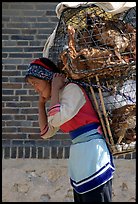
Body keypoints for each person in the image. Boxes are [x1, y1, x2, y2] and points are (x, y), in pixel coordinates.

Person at [25, 57, 115, 202]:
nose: (36, 89)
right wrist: (41, 105)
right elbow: (47, 133)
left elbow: (56, 119)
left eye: (36, 84)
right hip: (80, 157)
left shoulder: (72, 90)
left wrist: (54, 88)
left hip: (93, 154)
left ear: (48, 78)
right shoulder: (58, 98)